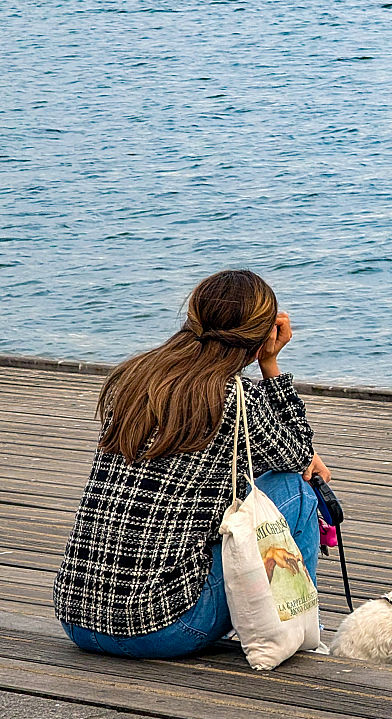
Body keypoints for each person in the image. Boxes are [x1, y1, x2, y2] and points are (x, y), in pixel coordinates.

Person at [53, 269, 330, 658]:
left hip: (78, 618)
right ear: (261, 334)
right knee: (297, 491)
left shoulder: (133, 376)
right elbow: (298, 454)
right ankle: (299, 629)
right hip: (163, 628)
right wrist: (270, 365)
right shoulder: (235, 399)